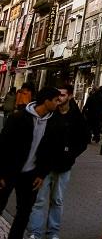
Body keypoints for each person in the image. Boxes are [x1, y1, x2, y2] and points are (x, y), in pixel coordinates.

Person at [0, 87, 64, 239]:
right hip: (9, 171)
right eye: (56, 100)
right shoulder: (19, 118)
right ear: (46, 101)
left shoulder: (54, 123)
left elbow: (51, 151)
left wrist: (42, 174)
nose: (58, 103)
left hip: (31, 175)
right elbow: (3, 145)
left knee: (24, 212)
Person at [27, 84, 89, 239]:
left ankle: (53, 232)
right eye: (57, 95)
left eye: (62, 95)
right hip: (44, 166)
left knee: (57, 201)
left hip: (64, 166)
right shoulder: (50, 113)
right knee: (39, 201)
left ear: (70, 96)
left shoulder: (76, 116)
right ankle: (35, 232)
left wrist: (72, 154)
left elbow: (84, 139)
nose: (59, 98)